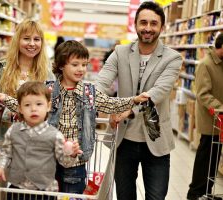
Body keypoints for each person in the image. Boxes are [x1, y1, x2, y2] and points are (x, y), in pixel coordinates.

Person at [0, 40, 149, 194]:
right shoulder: (49, 89)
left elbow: (110, 104)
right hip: (48, 159)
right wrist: (6, 99)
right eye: (75, 64)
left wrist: (133, 100)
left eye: (83, 64)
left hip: (75, 162)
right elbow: (29, 104)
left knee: (71, 195)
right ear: (61, 65)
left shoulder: (89, 92)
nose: (80, 69)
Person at [95, 2, 183, 200]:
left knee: (156, 197)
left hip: (156, 141)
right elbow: (102, 81)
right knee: (125, 196)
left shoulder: (173, 58)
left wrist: (127, 109)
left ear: (162, 27)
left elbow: (158, 92)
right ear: (135, 25)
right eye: (143, 22)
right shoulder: (120, 52)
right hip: (124, 140)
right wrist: (97, 103)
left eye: (154, 23)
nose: (148, 28)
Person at [0, 18, 54, 200]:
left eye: (37, 39)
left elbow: (51, 109)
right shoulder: (0, 69)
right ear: (17, 40)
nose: (32, 44)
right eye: (27, 38)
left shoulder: (47, 74)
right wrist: (15, 115)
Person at [0, 81, 82, 200]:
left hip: (45, 191)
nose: (33, 109)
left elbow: (64, 162)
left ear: (48, 106)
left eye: (39, 104)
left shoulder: (55, 135)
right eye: (27, 105)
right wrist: (0, 167)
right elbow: (5, 153)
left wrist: (71, 154)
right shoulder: (13, 131)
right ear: (20, 109)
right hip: (17, 190)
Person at [186, 33, 223, 200]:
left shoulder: (220, 64)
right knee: (205, 157)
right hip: (210, 120)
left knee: (213, 158)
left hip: (219, 121)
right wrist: (220, 108)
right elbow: (202, 94)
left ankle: (206, 192)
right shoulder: (206, 64)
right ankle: (195, 193)